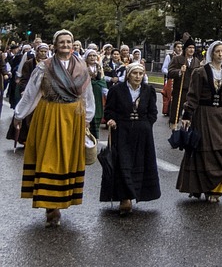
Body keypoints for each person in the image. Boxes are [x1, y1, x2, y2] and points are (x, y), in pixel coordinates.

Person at [13, 29, 95, 227]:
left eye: (69, 42)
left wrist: (88, 117)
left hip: (73, 116)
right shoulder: (45, 67)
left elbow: (87, 95)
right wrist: (19, 114)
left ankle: (60, 199)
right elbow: (31, 92)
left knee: (66, 160)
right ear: (55, 45)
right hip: (50, 113)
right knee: (49, 158)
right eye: (62, 42)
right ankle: (50, 204)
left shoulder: (82, 67)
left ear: (73, 44)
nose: (66, 45)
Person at [176, 41, 222, 203]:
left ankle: (215, 187)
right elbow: (193, 96)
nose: (221, 55)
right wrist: (187, 116)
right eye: (218, 52)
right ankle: (203, 186)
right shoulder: (201, 72)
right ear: (211, 53)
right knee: (204, 151)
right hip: (203, 115)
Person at [103, 61, 161, 214]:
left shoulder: (148, 90)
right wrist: (111, 119)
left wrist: (147, 125)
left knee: (139, 163)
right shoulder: (117, 90)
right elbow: (109, 110)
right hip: (122, 131)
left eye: (140, 74)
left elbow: (153, 112)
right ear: (128, 75)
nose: (138, 76)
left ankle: (137, 193)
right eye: (134, 73)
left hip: (142, 133)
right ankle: (125, 199)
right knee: (123, 163)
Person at [168, 37, 201, 129]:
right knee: (176, 111)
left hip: (192, 91)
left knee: (191, 111)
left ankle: (189, 129)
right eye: (189, 48)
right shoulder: (177, 59)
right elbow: (170, 72)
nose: (191, 50)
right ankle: (174, 127)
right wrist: (179, 71)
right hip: (180, 89)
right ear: (185, 49)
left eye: (193, 48)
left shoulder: (197, 61)